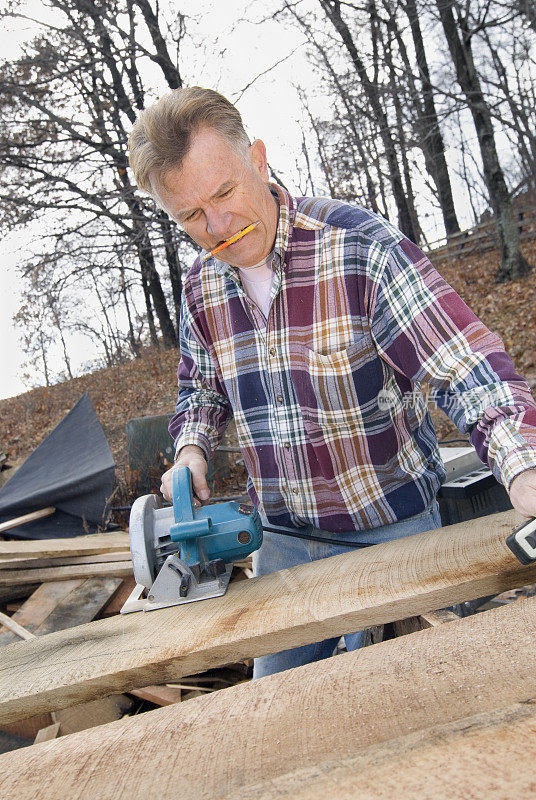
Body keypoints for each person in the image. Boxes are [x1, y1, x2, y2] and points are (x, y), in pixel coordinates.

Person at [128, 87, 536, 678]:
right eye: (192, 215)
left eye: (224, 192)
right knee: (285, 714)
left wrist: (523, 468)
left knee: (421, 705)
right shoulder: (201, 287)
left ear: (258, 160)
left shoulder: (357, 248)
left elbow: (464, 365)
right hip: (283, 546)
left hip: (395, 533)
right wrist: (191, 451)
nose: (218, 227)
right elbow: (201, 386)